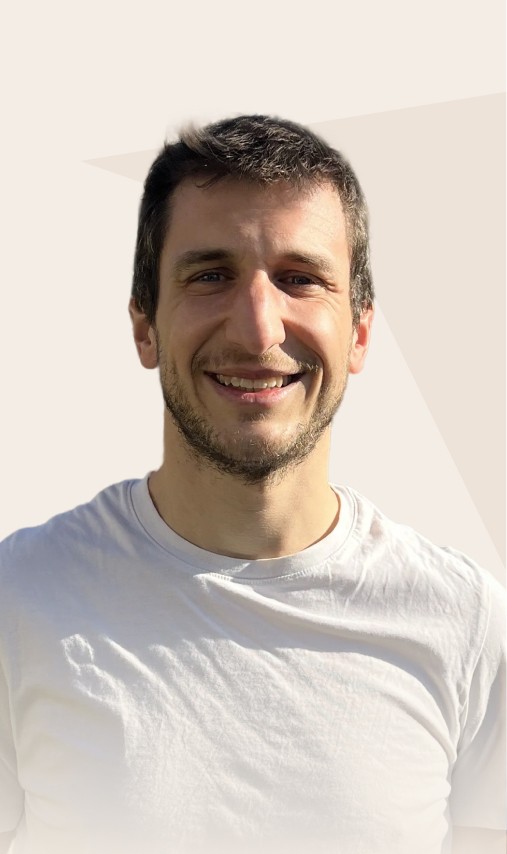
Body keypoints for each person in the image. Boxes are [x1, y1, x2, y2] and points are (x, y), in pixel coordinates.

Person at [0, 115, 504, 854]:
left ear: (360, 331)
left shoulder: (467, 624)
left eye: (300, 279)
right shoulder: (19, 601)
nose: (257, 327)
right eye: (209, 276)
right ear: (144, 325)